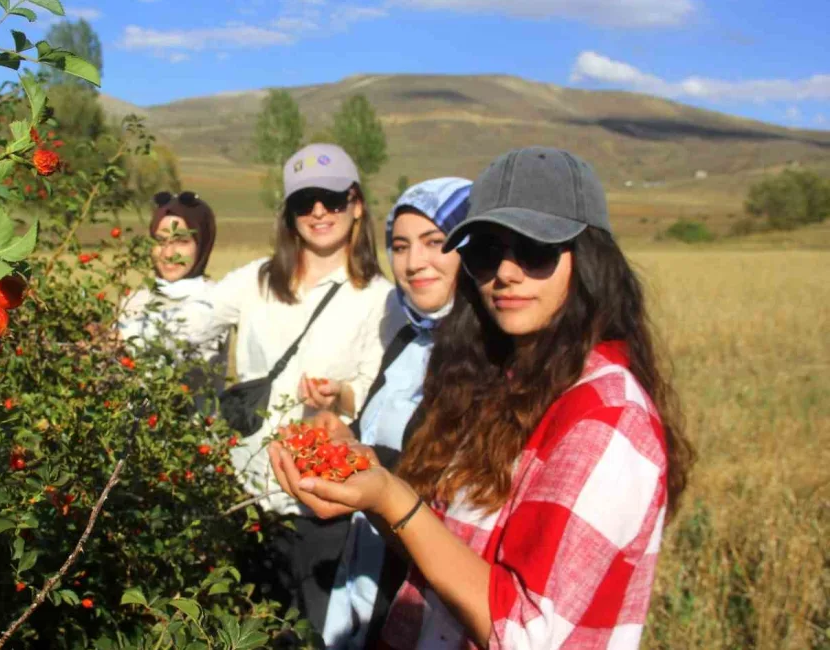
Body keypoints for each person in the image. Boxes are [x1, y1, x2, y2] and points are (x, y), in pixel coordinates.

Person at [270, 147, 695, 649]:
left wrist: (392, 497)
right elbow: (444, 560)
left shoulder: (605, 417)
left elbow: (526, 635)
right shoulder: (505, 383)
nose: (506, 272)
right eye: (485, 252)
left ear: (590, 259)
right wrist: (366, 480)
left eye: (535, 250)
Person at [181, 143, 402, 634]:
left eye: (332, 199)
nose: (319, 212)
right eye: (305, 202)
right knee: (241, 630)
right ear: (290, 214)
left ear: (357, 204)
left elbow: (380, 392)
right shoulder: (257, 279)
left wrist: (340, 394)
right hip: (245, 491)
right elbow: (191, 325)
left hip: (320, 503)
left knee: (313, 634)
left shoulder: (379, 299)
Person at [321, 177, 473, 649]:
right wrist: (338, 440)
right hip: (368, 562)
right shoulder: (407, 340)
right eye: (401, 246)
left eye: (437, 243)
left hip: (425, 591)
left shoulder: (486, 360)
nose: (413, 263)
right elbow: (378, 439)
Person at [117, 191, 227, 399]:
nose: (168, 253)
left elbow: (184, 342)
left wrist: (123, 339)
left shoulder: (217, 299)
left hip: (195, 429)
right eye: (160, 240)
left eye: (181, 241)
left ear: (203, 242)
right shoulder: (134, 301)